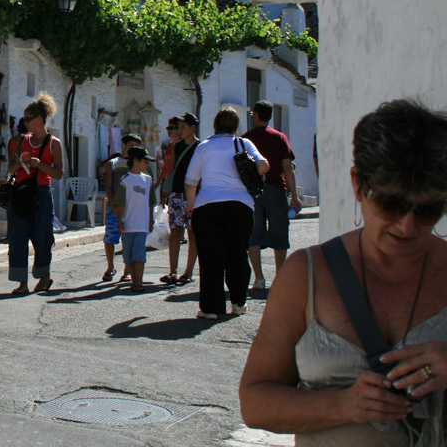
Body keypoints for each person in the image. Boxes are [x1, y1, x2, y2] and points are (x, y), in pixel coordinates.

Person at [240, 99, 447, 445]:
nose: (408, 225)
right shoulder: (306, 275)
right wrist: (343, 405)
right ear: (357, 184)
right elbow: (255, 404)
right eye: (391, 203)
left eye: (429, 209)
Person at [186, 106, 269, 319]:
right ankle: (238, 302)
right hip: (240, 204)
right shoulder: (243, 144)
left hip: (208, 205)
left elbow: (191, 180)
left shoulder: (204, 147)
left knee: (210, 257)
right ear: (236, 125)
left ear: (215, 124)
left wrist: (191, 204)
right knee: (237, 254)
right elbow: (264, 166)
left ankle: (211, 308)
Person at [6, 94, 64, 295]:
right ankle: (21, 282)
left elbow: (59, 173)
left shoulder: (53, 143)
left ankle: (44, 275)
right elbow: (10, 168)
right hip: (20, 191)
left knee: (43, 236)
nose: (25, 122)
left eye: (28, 119)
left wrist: (40, 165)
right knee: (17, 237)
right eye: (24, 119)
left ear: (39, 119)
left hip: (42, 192)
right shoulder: (18, 142)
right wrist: (20, 163)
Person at [244, 100, 303, 290]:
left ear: (255, 115)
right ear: (270, 116)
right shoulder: (280, 137)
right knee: (280, 234)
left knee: (254, 235)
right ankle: (280, 276)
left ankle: (259, 278)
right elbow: (287, 167)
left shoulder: (246, 139)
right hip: (276, 189)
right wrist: (294, 195)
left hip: (253, 191)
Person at [161, 112, 200, 286]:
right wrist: (166, 191)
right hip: (176, 193)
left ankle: (188, 271)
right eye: (179, 127)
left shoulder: (200, 147)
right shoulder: (176, 146)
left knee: (192, 233)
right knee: (175, 232)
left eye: (183, 127)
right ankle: (173, 271)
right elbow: (171, 169)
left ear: (193, 127)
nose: (180, 130)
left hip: (193, 194)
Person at [113, 146, 155, 292]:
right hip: (128, 224)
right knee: (128, 255)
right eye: (145, 161)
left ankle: (139, 282)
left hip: (142, 224)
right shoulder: (125, 181)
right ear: (136, 161)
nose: (147, 165)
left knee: (140, 254)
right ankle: (134, 280)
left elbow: (151, 202)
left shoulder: (148, 180)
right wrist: (119, 222)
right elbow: (119, 204)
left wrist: (150, 220)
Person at [101, 133, 142, 283]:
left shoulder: (138, 163)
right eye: (131, 145)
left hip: (132, 207)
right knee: (110, 237)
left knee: (128, 239)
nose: (133, 149)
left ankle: (127, 270)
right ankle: (110, 266)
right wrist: (112, 202)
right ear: (124, 145)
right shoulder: (113, 163)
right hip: (116, 205)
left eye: (136, 146)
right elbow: (108, 185)